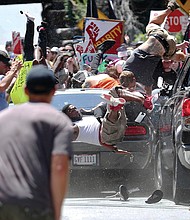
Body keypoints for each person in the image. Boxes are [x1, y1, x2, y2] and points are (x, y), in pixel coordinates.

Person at [0, 65, 73, 220]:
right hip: (35, 205)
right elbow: (59, 166)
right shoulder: (58, 122)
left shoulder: (3, 118)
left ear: (26, 90)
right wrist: (57, 212)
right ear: (53, 91)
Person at [123, 0, 189, 95]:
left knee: (169, 56)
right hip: (157, 35)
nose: (133, 87)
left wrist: (148, 103)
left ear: (133, 79)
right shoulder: (128, 64)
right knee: (152, 24)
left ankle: (187, 57)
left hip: (169, 46)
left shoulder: (142, 76)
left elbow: (148, 89)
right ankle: (170, 9)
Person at [62, 95, 127, 149]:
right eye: (71, 111)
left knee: (114, 91)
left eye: (75, 108)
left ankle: (115, 105)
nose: (75, 110)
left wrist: (113, 149)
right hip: (107, 134)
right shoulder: (74, 126)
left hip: (117, 129)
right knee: (107, 123)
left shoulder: (86, 118)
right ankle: (114, 108)